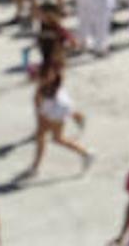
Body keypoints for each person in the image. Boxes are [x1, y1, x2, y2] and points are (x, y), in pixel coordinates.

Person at [27, 48, 91, 176]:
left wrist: (41, 121)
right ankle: (35, 166)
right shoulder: (53, 81)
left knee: (55, 138)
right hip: (56, 108)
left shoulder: (45, 88)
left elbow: (40, 108)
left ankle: (86, 154)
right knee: (47, 137)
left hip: (55, 111)